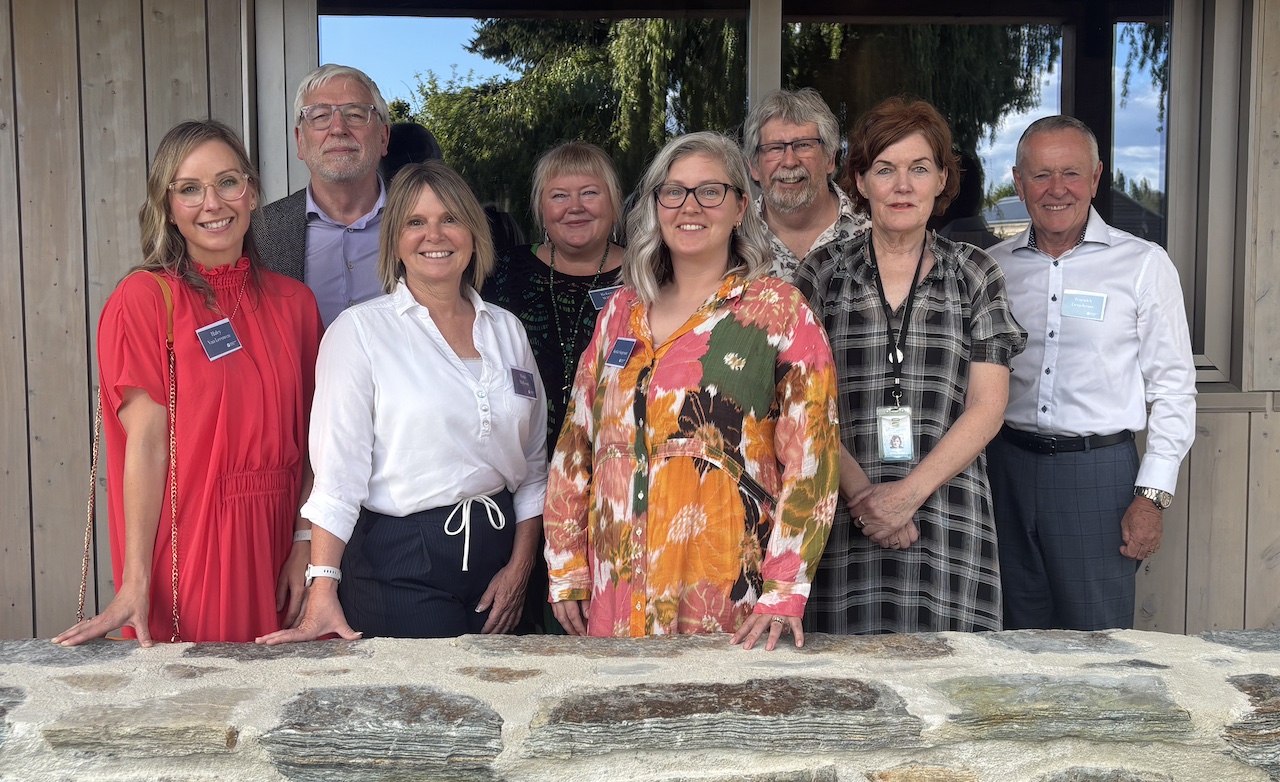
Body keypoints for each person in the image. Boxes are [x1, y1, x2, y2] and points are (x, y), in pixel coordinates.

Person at [544, 132, 840, 652]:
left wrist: (784, 589)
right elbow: (576, 444)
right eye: (674, 191)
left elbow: (812, 457)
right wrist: (566, 564)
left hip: (723, 595)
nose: (690, 206)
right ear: (656, 205)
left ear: (741, 207)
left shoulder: (780, 311)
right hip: (616, 592)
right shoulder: (620, 312)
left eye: (710, 191)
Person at [54, 120, 323, 646]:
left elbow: (319, 440)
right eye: (190, 189)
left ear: (252, 192)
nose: (212, 204)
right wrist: (135, 579)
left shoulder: (296, 304)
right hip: (195, 541)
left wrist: (305, 543)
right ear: (168, 206)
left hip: (280, 545)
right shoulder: (145, 299)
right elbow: (146, 445)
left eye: (228, 182)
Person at [257, 161, 548, 644]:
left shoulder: (507, 331)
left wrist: (520, 568)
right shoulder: (359, 332)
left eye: (450, 218)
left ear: (474, 234)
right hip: (401, 561)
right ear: (394, 240)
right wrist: (322, 588)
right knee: (433, 694)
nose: (435, 235)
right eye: (416, 221)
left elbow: (533, 466)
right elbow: (338, 477)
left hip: (498, 556)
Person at [794, 96, 1027, 634]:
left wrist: (905, 497)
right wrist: (865, 500)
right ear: (860, 180)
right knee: (840, 677)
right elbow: (801, 407)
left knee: (954, 674)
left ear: (942, 179)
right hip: (841, 515)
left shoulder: (976, 273)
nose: (902, 186)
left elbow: (988, 407)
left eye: (919, 169)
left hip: (946, 514)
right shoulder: (821, 274)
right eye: (885, 169)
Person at [986, 115, 1196, 631]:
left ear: (1097, 178)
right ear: (1018, 182)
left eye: (1072, 173)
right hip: (1003, 469)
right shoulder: (991, 268)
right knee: (1009, 637)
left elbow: (1173, 389)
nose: (1056, 189)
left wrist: (1151, 496)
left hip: (1098, 476)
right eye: (1041, 175)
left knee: (1098, 642)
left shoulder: (1143, 265)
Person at [481, 141, 624, 632]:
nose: (575, 207)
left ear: (615, 202)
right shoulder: (501, 274)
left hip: (614, 483)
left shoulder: (651, 274)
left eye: (590, 192)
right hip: (518, 483)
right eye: (559, 195)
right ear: (540, 208)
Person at [254, 64, 391, 326]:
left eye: (355, 114)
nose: (338, 128)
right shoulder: (258, 233)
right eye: (319, 116)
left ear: (383, 138)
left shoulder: (424, 221)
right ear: (300, 141)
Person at [743, 88, 868, 282]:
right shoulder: (734, 240)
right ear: (753, 166)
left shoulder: (874, 231)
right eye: (775, 148)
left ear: (830, 159)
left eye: (804, 145)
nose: (790, 161)